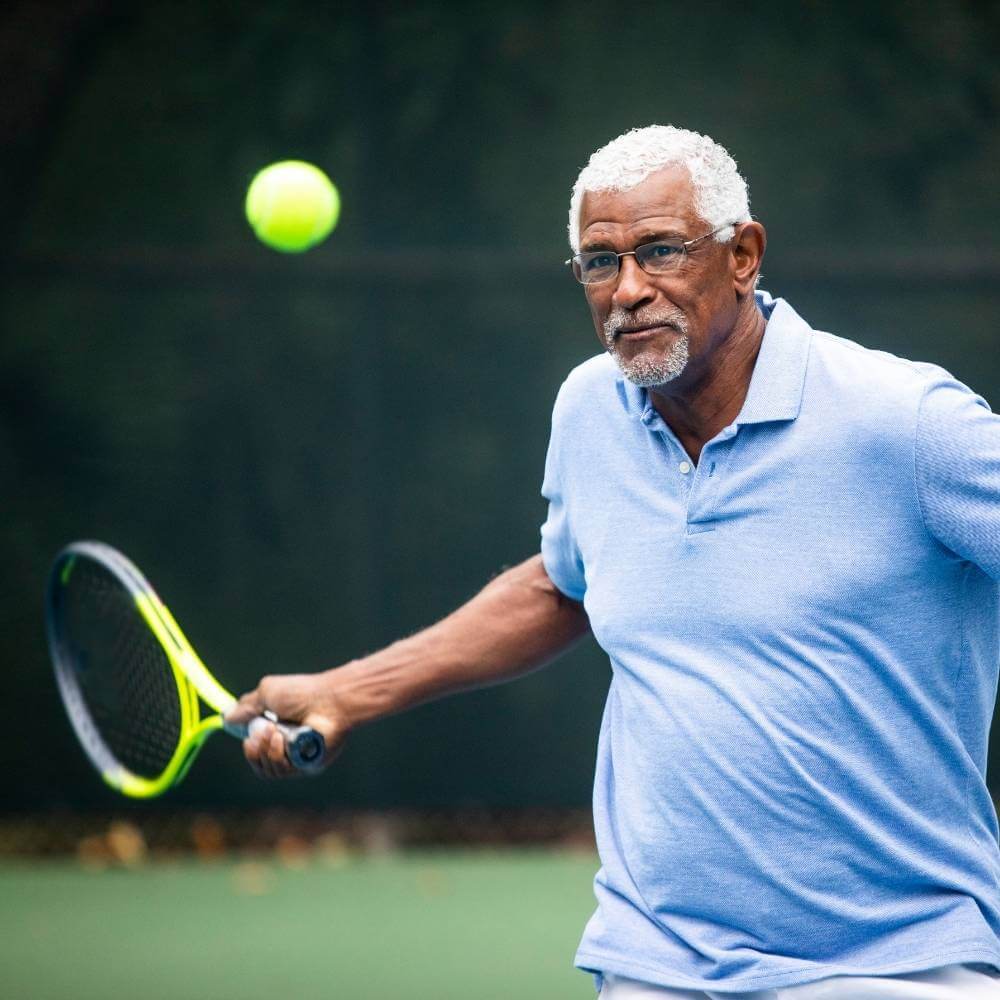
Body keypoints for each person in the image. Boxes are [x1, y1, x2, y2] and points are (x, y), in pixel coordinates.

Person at [225, 125, 1000, 999]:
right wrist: (348, 691)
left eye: (660, 251)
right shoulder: (592, 407)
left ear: (743, 255)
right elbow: (564, 585)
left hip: (898, 964)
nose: (628, 291)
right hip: (656, 959)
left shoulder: (907, 423)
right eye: (599, 263)